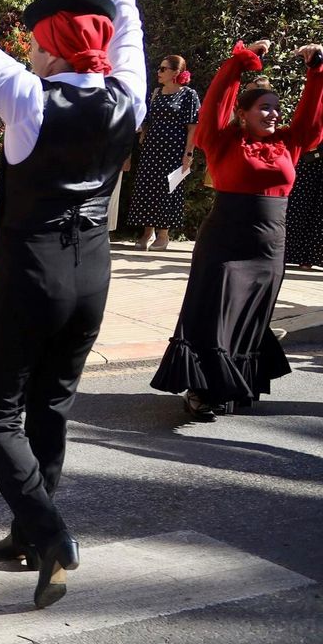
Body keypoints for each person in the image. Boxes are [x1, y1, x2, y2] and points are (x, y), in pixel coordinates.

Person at [0, 0, 146, 608]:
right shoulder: (129, 94)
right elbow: (129, 26)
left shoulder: (31, 101)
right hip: (92, 270)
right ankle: (27, 534)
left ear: (56, 54)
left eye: (35, 45)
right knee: (50, 407)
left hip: (31, 270)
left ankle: (49, 531)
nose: (28, 54)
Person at [152, 39, 323, 416]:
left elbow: (311, 124)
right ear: (243, 114)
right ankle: (200, 389)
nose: (274, 115)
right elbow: (214, 105)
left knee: (249, 318)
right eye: (265, 108)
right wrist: (238, 64)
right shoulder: (224, 140)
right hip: (225, 241)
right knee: (215, 313)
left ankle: (231, 385)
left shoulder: (288, 144)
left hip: (269, 246)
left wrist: (316, 73)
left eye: (277, 109)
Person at [127, 55, 200, 250]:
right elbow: (148, 120)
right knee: (147, 188)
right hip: (152, 148)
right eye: (159, 68)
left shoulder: (188, 95)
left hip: (174, 150)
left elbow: (193, 127)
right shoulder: (156, 93)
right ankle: (147, 232)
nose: (158, 72)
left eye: (163, 69)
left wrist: (188, 154)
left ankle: (164, 234)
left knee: (169, 189)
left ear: (176, 72)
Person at [287, 146, 323, 271]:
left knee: (319, 214)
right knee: (298, 207)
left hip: (312, 157)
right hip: (310, 158)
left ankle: (310, 258)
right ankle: (292, 254)